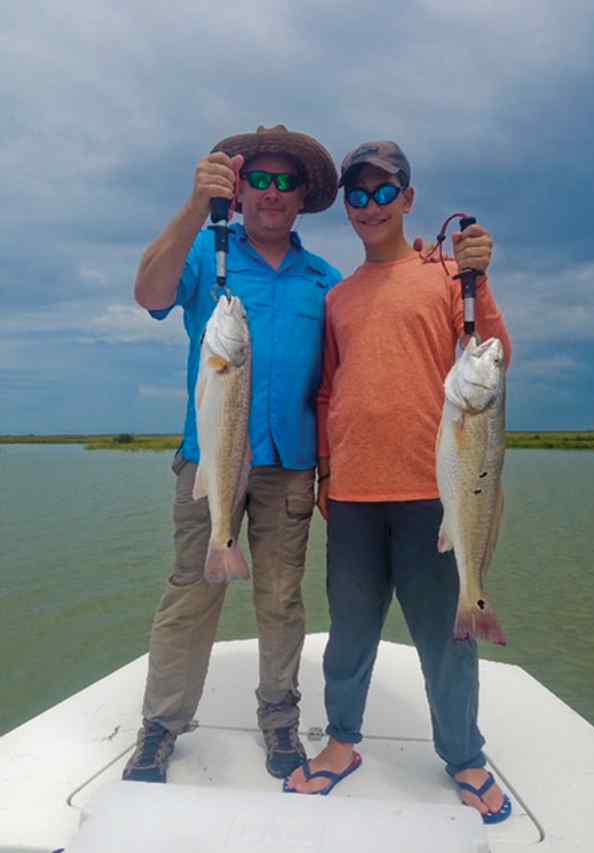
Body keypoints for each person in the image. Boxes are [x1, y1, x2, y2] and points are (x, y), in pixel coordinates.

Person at [283, 142, 514, 825]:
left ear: (409, 199)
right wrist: (327, 471)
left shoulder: (446, 275)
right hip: (352, 494)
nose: (370, 205)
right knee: (349, 633)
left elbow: (497, 357)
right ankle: (342, 743)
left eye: (385, 192)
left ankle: (465, 754)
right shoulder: (339, 298)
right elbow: (327, 392)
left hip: (434, 492)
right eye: (358, 194)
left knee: (449, 636)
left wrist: (480, 278)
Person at [123, 125, 342, 783]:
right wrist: (195, 207)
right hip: (209, 459)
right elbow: (149, 294)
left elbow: (341, 380)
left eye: (286, 182)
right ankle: (161, 727)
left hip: (292, 466)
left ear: (303, 196)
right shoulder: (205, 254)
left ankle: (280, 721)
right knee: (191, 594)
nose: (272, 193)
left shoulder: (325, 281)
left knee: (281, 599)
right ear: (239, 190)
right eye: (260, 179)